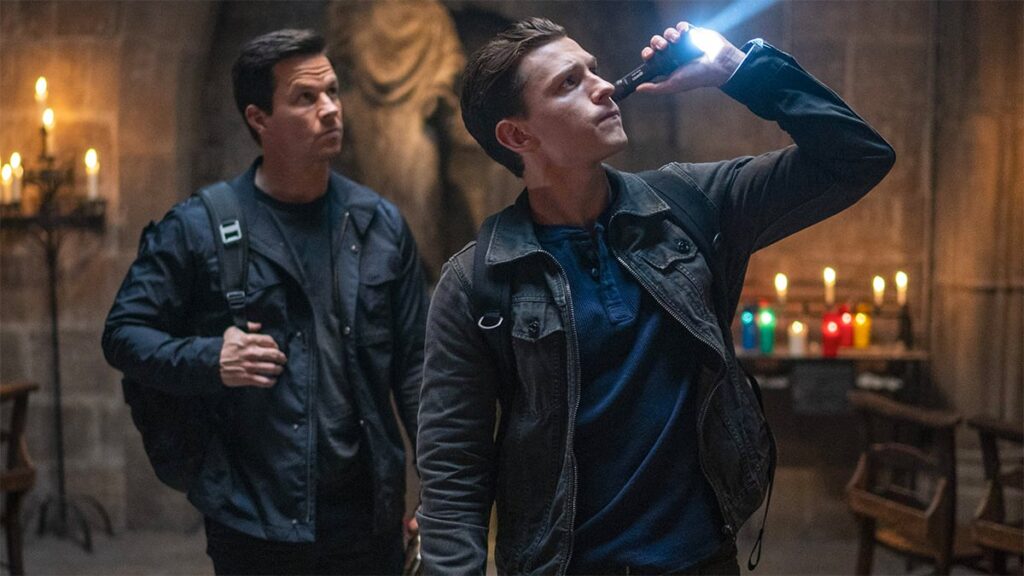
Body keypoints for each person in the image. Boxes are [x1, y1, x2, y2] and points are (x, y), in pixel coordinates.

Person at [416, 17, 894, 575]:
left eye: (593, 70)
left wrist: (737, 70)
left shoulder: (688, 205)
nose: (602, 86)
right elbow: (453, 468)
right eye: (569, 83)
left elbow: (858, 156)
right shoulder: (477, 279)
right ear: (517, 136)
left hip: (701, 562)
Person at [102, 29, 428, 575]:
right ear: (259, 119)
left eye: (333, 91)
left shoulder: (379, 225)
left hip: (366, 514)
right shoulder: (199, 226)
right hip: (254, 515)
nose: (330, 109)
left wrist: (441, 490)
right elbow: (123, 334)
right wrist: (213, 358)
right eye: (306, 97)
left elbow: (417, 370)